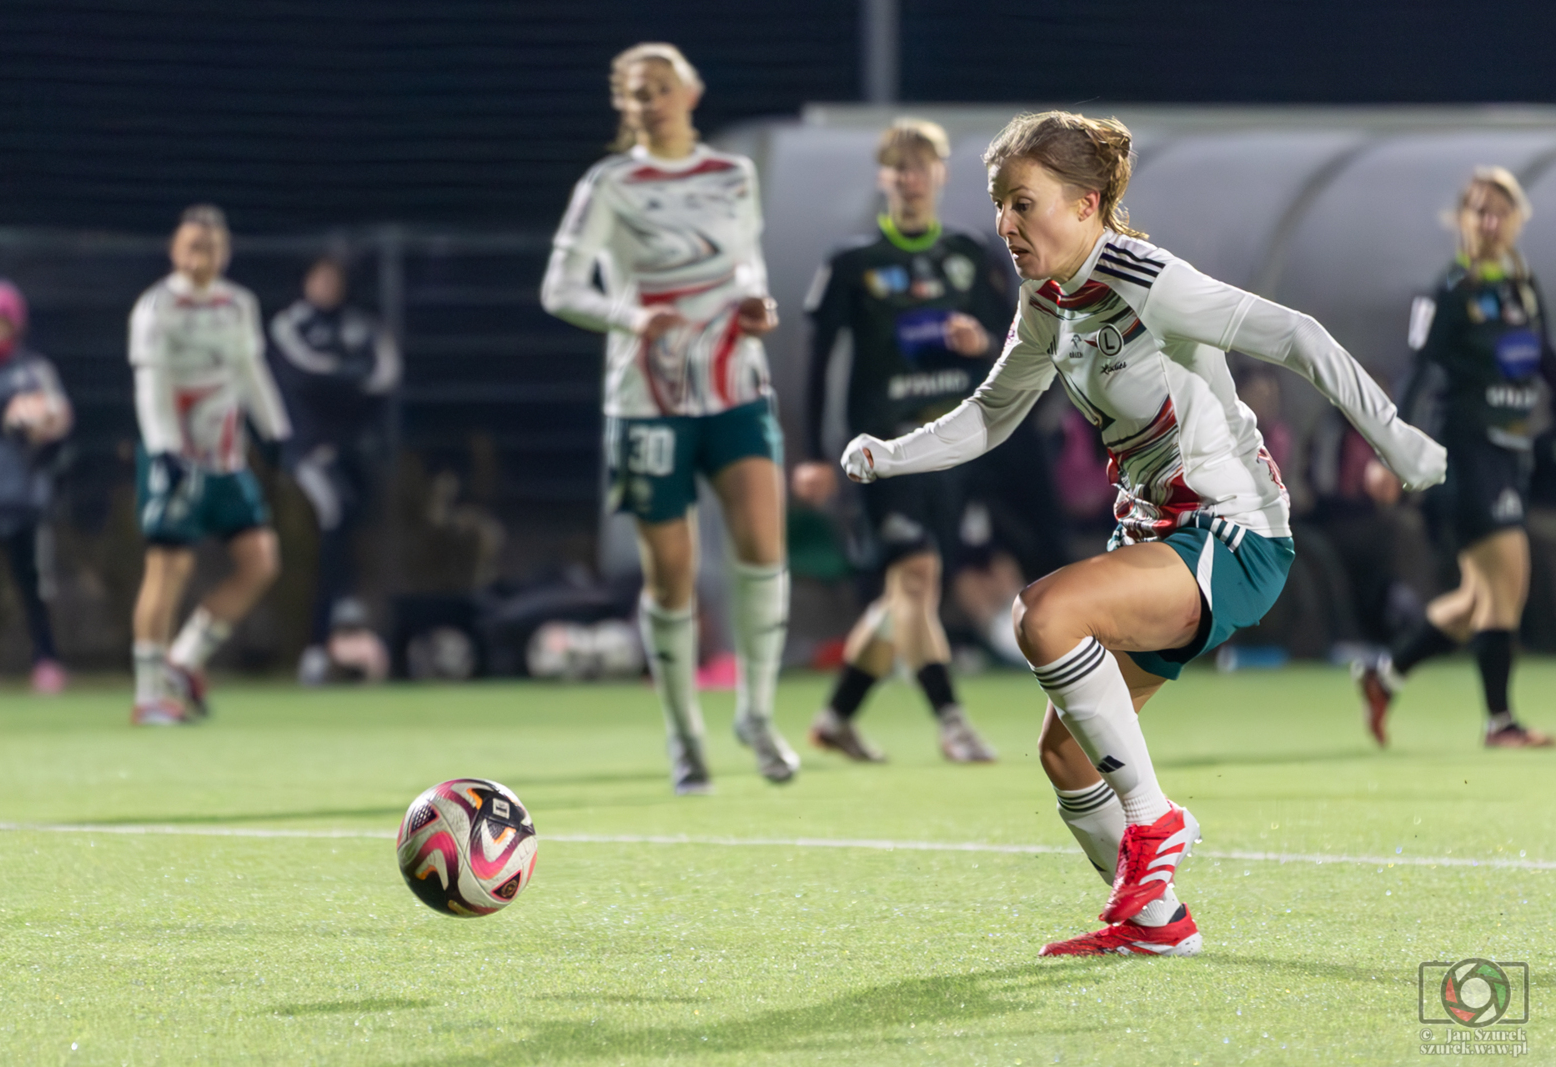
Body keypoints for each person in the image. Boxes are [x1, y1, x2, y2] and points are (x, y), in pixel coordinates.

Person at [840, 111, 1445, 957]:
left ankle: (1154, 824)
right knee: (1066, 757)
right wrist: (889, 454)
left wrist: (1399, 440)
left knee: (1043, 615)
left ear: (1087, 205)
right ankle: (1156, 923)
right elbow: (990, 415)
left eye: (1024, 203)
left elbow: (1297, 337)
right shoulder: (1047, 300)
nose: (1007, 226)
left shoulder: (1148, 277)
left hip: (1232, 534)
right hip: (1160, 543)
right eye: (1000, 206)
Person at [540, 42, 797, 793]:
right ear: (625, 107)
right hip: (648, 398)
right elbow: (560, 287)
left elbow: (747, 262)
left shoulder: (732, 174)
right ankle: (686, 734)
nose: (651, 100)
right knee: (673, 571)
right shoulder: (610, 183)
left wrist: (757, 303)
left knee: (762, 543)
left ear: (692, 90)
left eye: (661, 86)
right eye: (636, 92)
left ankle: (756, 711)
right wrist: (630, 315)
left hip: (737, 383)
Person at [793, 118, 1013, 763]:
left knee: (907, 598)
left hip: (951, 448)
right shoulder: (854, 263)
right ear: (884, 178)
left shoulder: (972, 253)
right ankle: (952, 721)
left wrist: (982, 343)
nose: (910, 179)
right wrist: (812, 454)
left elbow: (1014, 344)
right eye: (898, 168)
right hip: (882, 452)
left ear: (942, 174)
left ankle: (837, 718)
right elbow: (819, 360)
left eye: (921, 167)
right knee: (916, 578)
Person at [1357, 167, 1556, 748]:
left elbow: (1543, 359)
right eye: (1478, 211)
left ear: (1517, 219)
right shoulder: (1449, 289)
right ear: (1463, 221)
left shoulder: (1522, 285)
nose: (1489, 222)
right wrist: (1388, 450)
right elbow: (1418, 372)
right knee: (1507, 581)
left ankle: (1384, 673)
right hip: (1465, 453)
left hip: (1510, 451)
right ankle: (1501, 724)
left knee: (1476, 601)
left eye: (1499, 211)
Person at [128, 204, 291, 725]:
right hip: (178, 458)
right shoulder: (156, 308)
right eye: (193, 246)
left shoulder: (238, 305)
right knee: (169, 567)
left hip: (226, 459)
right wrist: (163, 449)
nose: (203, 257)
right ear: (176, 251)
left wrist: (276, 431)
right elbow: (149, 385)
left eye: (213, 247)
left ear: (227, 252)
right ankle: (148, 694)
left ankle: (184, 660)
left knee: (260, 560)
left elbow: (250, 369)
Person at [268, 255, 400, 685]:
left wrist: (345, 380)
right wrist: (347, 375)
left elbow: (383, 376)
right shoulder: (291, 325)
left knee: (364, 523)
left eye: (334, 280)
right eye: (319, 278)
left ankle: (360, 634)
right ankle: (317, 643)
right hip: (308, 451)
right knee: (333, 517)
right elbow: (304, 376)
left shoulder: (364, 326)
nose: (327, 286)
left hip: (356, 451)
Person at [0, 280, 72, 694]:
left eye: (2, 327)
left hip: (23, 499)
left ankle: (46, 659)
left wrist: (39, 421)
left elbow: (58, 419)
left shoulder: (33, 371)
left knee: (33, 585)